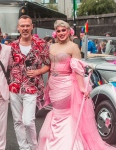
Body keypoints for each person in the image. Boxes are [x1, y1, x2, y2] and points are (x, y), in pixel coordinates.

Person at [37, 20, 116, 150]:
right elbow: (50, 67)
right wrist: (47, 82)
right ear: (55, 33)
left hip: (66, 86)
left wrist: (82, 88)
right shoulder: (51, 47)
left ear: (69, 32)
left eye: (64, 30)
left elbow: (77, 70)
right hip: (53, 86)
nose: (61, 33)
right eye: (59, 31)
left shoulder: (73, 47)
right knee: (56, 113)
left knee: (64, 114)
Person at [9, 15, 50, 150]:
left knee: (28, 121)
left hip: (32, 88)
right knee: (17, 121)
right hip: (14, 88)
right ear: (18, 28)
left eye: (27, 25)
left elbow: (49, 64)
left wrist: (38, 72)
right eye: (22, 26)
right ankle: (23, 147)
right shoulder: (11, 46)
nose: (25, 28)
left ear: (32, 26)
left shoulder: (41, 45)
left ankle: (34, 146)